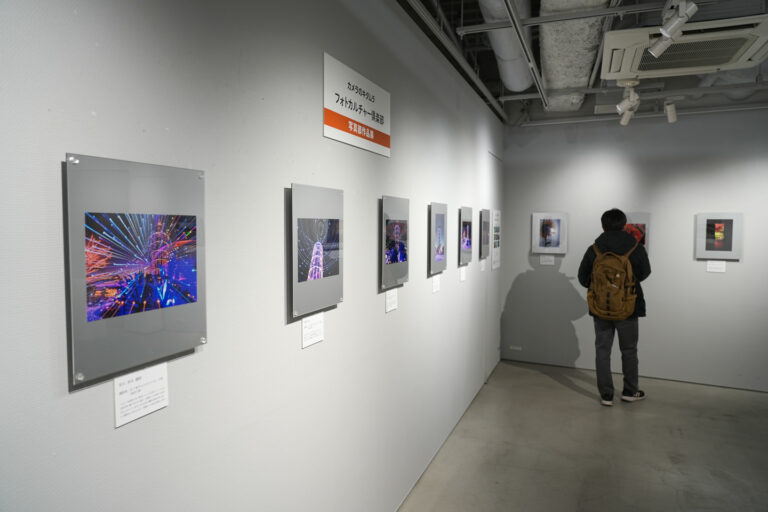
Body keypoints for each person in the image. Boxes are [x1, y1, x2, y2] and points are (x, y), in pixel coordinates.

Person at [578, 208, 651, 406]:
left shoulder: (594, 249)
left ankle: (606, 395)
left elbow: (583, 278)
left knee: (602, 350)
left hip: (600, 307)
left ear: (603, 226)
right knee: (629, 350)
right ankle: (630, 391)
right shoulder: (635, 247)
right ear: (624, 225)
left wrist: (603, 288)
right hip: (628, 306)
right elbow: (645, 272)